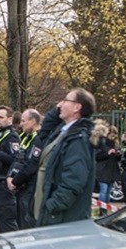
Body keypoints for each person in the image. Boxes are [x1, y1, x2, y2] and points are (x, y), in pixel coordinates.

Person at [36, 88, 96, 226]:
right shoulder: (64, 132)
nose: (60, 105)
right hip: (54, 214)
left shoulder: (78, 138)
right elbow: (45, 129)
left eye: (65, 100)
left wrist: (52, 206)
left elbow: (73, 180)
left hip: (61, 218)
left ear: (77, 107)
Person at [6, 108, 43, 230]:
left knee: (27, 222)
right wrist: (9, 177)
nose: (21, 124)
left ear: (33, 121)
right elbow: (18, 160)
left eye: (24, 121)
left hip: (31, 187)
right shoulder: (26, 137)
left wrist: (15, 181)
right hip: (22, 185)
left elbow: (31, 164)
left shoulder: (38, 139)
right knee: (21, 220)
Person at [94, 122, 121, 212]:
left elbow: (118, 159)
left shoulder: (116, 144)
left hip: (112, 170)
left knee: (108, 192)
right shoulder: (102, 142)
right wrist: (108, 153)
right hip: (103, 170)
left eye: (115, 134)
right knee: (104, 191)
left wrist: (118, 154)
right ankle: (102, 211)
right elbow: (97, 157)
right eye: (112, 134)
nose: (113, 136)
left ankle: (105, 210)